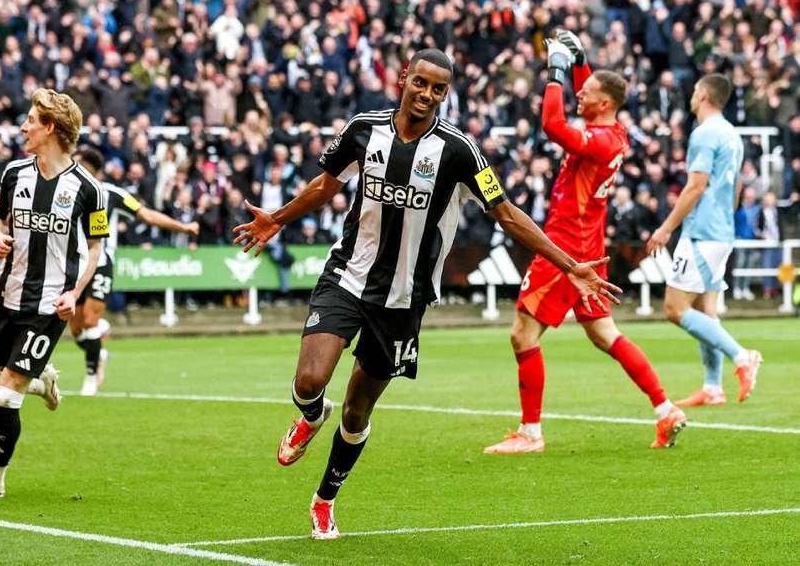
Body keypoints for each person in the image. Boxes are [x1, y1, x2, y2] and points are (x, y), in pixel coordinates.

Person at [233, 49, 621, 540]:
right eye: (421, 83)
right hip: (349, 275)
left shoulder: (459, 151)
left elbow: (505, 212)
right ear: (404, 79)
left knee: (358, 409)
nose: (427, 95)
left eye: (439, 89)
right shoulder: (363, 129)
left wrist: (570, 266)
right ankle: (310, 417)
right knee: (311, 379)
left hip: (404, 299)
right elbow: (326, 185)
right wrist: (277, 219)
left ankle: (325, 499)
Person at [483, 31, 686, 456]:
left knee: (522, 335)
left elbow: (552, 124)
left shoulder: (601, 141)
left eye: (586, 92)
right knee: (604, 333)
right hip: (588, 246)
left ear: (606, 103)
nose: (579, 94)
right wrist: (579, 59)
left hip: (565, 249)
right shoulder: (612, 132)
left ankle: (531, 432)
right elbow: (594, 87)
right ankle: (666, 407)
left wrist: (556, 70)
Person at [0, 89, 107, 500]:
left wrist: (75, 293)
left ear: (51, 128)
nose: (23, 126)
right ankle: (40, 383)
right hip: (5, 298)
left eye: (30, 120)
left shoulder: (89, 189)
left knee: (6, 395)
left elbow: (96, 247)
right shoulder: (13, 174)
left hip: (48, 307)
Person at [646, 73, 762, 407]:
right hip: (722, 230)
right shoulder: (731, 135)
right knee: (705, 310)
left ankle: (742, 356)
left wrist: (666, 228)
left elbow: (696, 186)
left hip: (702, 232)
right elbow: (737, 186)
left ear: (704, 95)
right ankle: (712, 387)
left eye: (696, 91)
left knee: (674, 308)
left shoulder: (705, 133)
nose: (693, 96)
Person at [69, 146, 199, 396]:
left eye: (78, 164)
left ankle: (90, 376)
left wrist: (182, 227)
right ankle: (99, 352)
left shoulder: (112, 194)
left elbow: (146, 214)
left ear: (89, 168)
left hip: (100, 263)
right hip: (73, 266)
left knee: (89, 320)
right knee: (76, 329)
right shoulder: (66, 192)